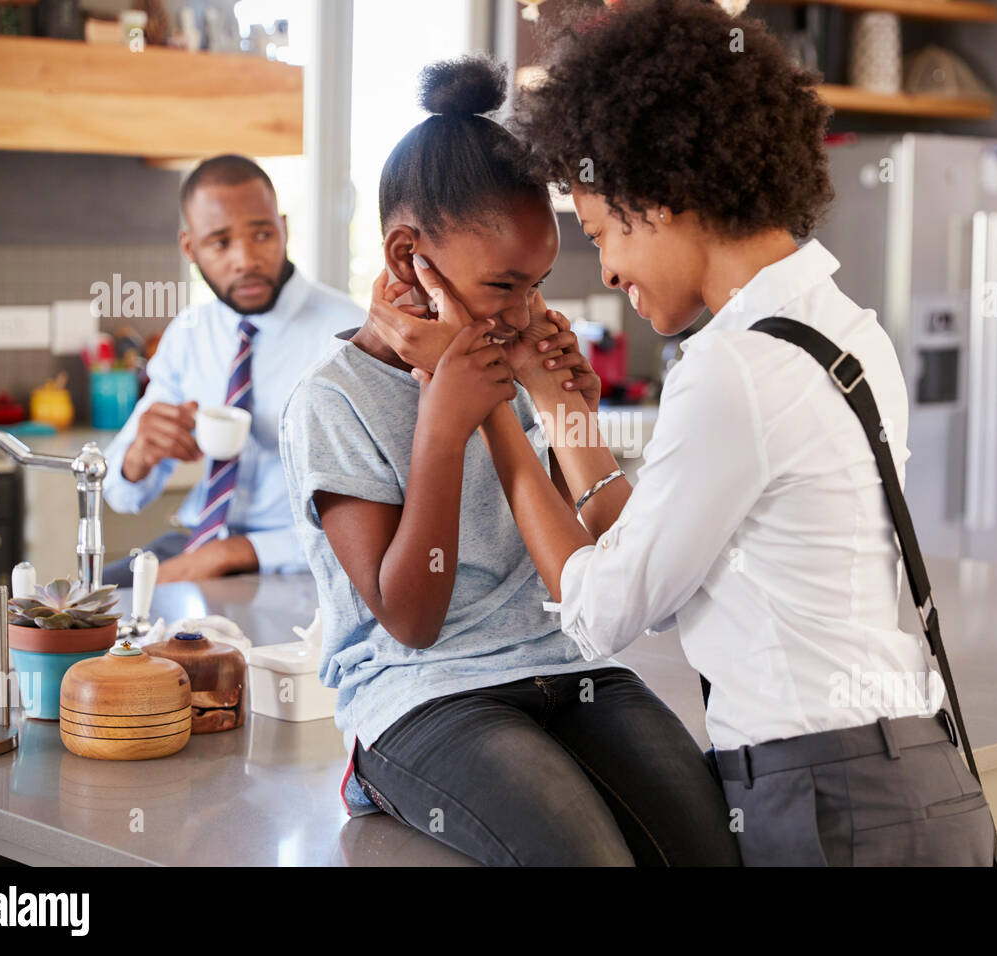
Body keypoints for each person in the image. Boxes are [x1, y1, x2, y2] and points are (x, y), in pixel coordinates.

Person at [376, 0, 997, 866]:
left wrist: (492, 419)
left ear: (656, 199)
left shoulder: (733, 368)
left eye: (599, 234)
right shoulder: (843, 329)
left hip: (824, 802)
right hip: (917, 783)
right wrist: (558, 411)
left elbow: (603, 612)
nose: (610, 272)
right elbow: (663, 583)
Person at [278, 57, 740, 867]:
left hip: (564, 667)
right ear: (405, 258)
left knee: (713, 846)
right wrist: (443, 426)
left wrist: (567, 416)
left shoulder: (503, 362)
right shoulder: (333, 400)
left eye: (537, 284)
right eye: (503, 285)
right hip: (424, 698)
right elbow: (412, 619)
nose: (525, 312)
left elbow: (579, 557)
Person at [101, 155, 363, 587]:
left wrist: (233, 553)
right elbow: (122, 495)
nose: (245, 260)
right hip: (195, 543)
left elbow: (382, 512)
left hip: (301, 560)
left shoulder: (349, 337)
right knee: (78, 614)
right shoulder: (189, 334)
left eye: (261, 234)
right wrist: (137, 458)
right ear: (190, 248)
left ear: (282, 228)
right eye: (221, 243)